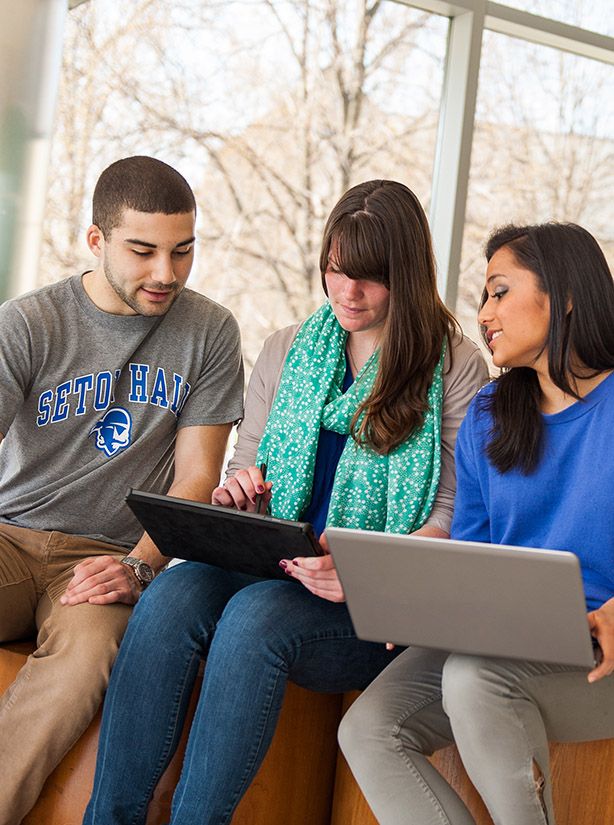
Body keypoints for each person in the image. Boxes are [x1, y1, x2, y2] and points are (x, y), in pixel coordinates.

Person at [83, 179, 488, 825]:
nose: (346, 293)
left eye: (368, 278)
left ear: (406, 274)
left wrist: (362, 570)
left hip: (373, 605)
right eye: (334, 270)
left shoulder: (456, 367)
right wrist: (237, 496)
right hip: (272, 564)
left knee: (253, 618)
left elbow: (451, 515)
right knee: (168, 598)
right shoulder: (289, 347)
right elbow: (247, 467)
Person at [338, 221, 614, 825]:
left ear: (563, 294)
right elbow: (475, 554)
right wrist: (424, 601)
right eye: (484, 296)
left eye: (499, 291)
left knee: (472, 676)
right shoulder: (492, 412)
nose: (483, 312)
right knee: (368, 728)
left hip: (601, 654)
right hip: (505, 639)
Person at [0, 155, 244, 824]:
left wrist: (137, 567)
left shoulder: (210, 332)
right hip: (10, 537)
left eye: (183, 251)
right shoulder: (28, 323)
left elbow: (197, 476)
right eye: (143, 251)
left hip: (108, 555)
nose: (166, 272)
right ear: (96, 241)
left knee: (85, 663)